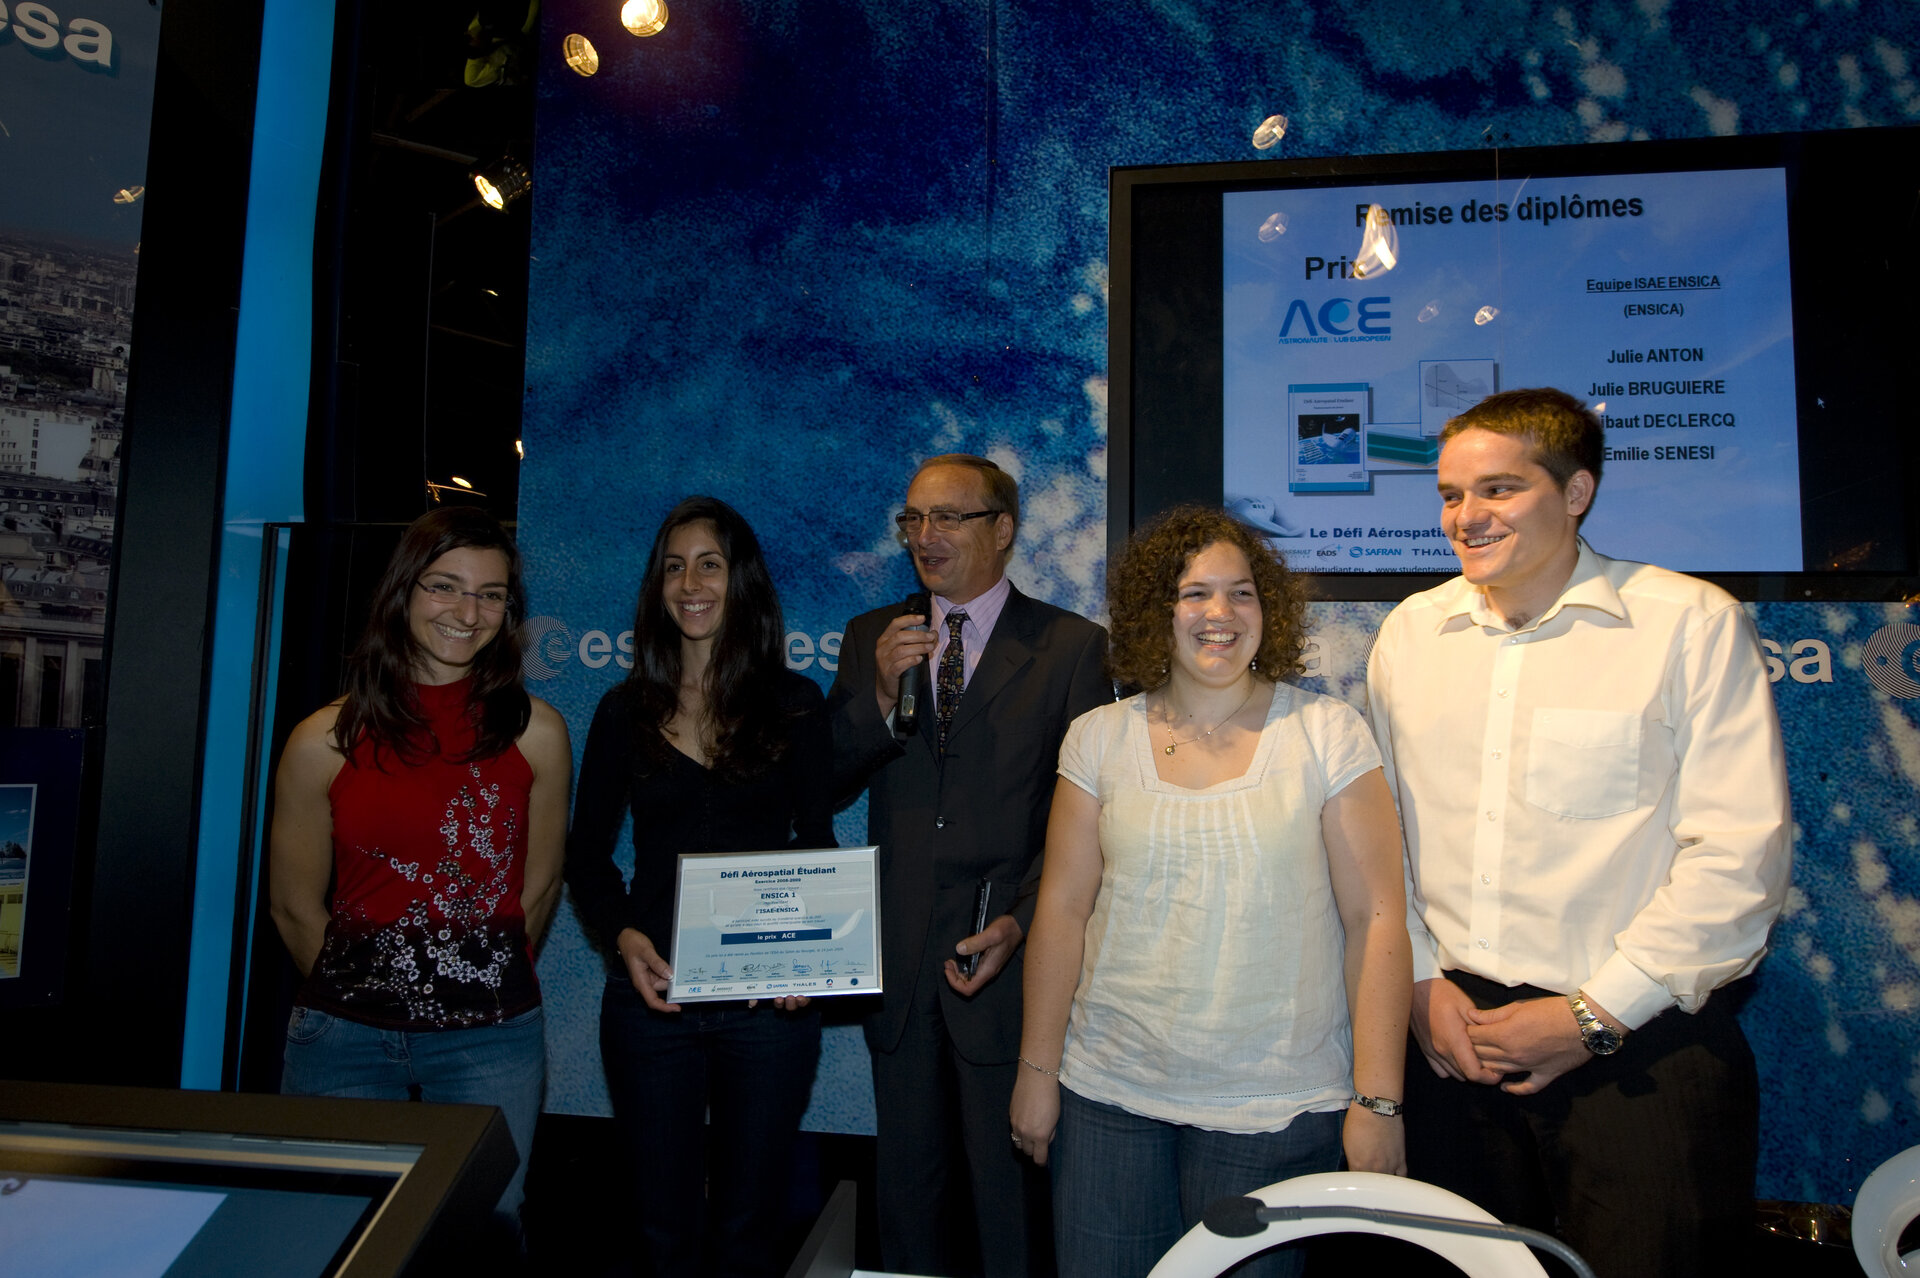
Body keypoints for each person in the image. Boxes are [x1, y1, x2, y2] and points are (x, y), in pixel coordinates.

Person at [1365, 388, 1791, 1278]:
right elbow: (1384, 840)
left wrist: (1592, 1017)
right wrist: (1414, 979)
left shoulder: (1687, 625)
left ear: (1576, 492)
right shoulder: (1411, 634)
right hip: (1452, 1050)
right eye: (1450, 495)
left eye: (1499, 490)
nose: (1466, 518)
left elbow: (1739, 864)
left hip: (1641, 1055)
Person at [1010, 505, 1411, 1278]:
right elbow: (1061, 911)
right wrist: (1036, 1073)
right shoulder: (1098, 738)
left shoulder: (1326, 734)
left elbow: (1377, 917)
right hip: (1107, 1099)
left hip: (1274, 1108)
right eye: (1194, 594)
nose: (1219, 615)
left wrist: (1379, 1099)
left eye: (1242, 594)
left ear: (1272, 609)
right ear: (1158, 610)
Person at [829, 453, 1109, 1276]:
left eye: (948, 517)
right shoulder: (870, 638)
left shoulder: (1070, 648)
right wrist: (879, 694)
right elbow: (827, 774)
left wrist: (1021, 917)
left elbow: (1088, 824)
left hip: (1008, 962)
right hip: (901, 971)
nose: (925, 536)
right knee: (907, 1203)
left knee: (1007, 1203)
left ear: (1005, 530)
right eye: (913, 519)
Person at [270, 506, 572, 1243]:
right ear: (405, 592)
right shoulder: (322, 741)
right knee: (331, 1232)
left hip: (490, 1038)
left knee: (484, 1232)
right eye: (445, 586)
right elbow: (292, 908)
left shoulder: (538, 734)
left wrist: (467, 987)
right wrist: (378, 997)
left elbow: (539, 888)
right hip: (343, 1039)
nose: (468, 612)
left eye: (491, 595)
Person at [566, 496, 830, 1278]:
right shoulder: (624, 711)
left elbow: (814, 846)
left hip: (764, 1013)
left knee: (750, 1230)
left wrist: (802, 964)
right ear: (657, 587)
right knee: (658, 1232)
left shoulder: (794, 704)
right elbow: (586, 856)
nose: (690, 583)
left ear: (740, 580)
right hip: (654, 1003)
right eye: (674, 567)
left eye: (709, 564)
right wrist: (622, 935)